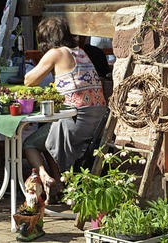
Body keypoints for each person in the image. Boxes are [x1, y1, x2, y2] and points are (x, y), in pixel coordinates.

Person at [23, 17, 107, 203]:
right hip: (97, 123)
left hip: (76, 123)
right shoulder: (81, 52)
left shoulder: (56, 53)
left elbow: (29, 80)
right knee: (49, 137)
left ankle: (44, 176)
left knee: (29, 143)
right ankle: (60, 186)